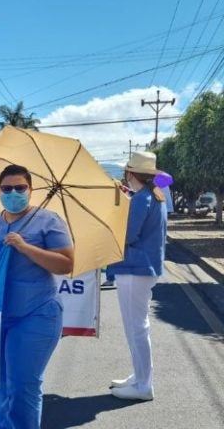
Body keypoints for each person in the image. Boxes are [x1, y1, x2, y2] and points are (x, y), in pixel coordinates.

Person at [0, 164, 74, 429]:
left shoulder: (49, 221)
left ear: (31, 190)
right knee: (1, 386)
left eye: (20, 188)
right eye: (7, 189)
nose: (13, 193)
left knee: (22, 387)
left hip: (37, 315)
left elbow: (65, 264)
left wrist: (24, 246)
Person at [107, 151, 167, 401]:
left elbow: (129, 235)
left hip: (135, 268)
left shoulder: (141, 199)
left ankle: (143, 385)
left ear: (131, 173)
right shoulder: (153, 195)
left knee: (136, 328)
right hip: (143, 268)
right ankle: (140, 377)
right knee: (137, 328)